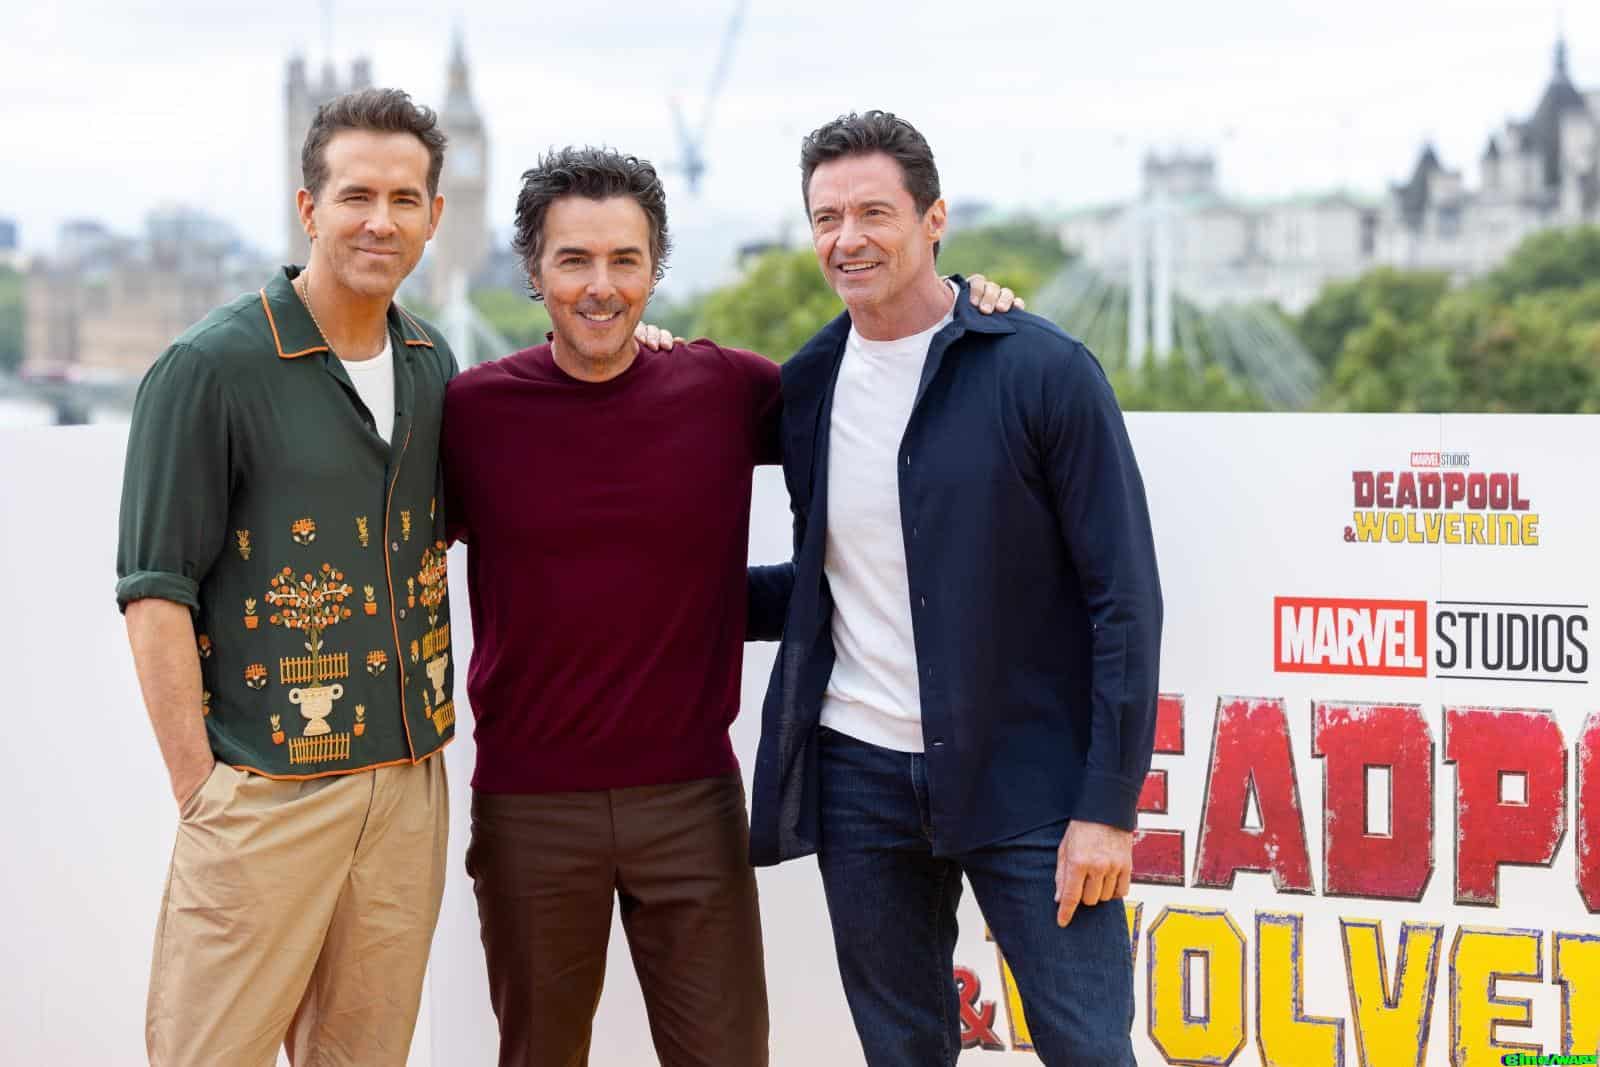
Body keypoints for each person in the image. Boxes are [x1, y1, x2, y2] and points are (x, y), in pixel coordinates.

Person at [441, 145, 1016, 1067]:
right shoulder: (471, 413)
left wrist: (967, 307)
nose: (601, 286)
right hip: (528, 810)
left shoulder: (721, 388)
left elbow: (882, 390)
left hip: (692, 803)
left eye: (625, 260)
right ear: (534, 271)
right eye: (574, 260)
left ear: (655, 269)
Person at [746, 111, 1164, 1066]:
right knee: (902, 1051)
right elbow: (830, 579)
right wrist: (672, 603)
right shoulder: (808, 385)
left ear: (935, 219)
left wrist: (1107, 806)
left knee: (1090, 1050)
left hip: (1031, 781)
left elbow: (1125, 601)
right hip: (859, 779)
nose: (847, 238)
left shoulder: (1043, 370)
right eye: (826, 217)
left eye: (874, 212)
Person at [117, 88, 461, 1066]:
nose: (380, 220)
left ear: (434, 216)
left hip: (407, 785)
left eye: (404, 198)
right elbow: (155, 588)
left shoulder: (433, 363)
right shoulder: (210, 367)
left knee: (364, 1055)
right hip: (263, 787)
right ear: (309, 207)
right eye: (356, 195)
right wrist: (204, 791)